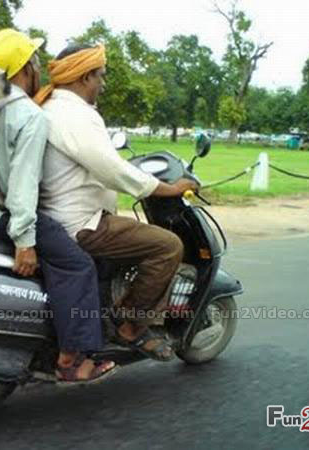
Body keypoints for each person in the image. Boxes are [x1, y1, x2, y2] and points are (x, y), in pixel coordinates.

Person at [36, 43, 200, 361]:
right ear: (85, 77)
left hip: (59, 217)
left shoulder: (51, 107)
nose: (103, 83)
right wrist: (168, 189)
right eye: (100, 76)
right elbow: (111, 170)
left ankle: (108, 312)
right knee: (168, 246)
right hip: (82, 222)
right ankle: (130, 328)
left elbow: (102, 163)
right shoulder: (76, 115)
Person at [0, 30, 115, 382]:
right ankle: (72, 359)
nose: (38, 69)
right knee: (77, 265)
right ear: (25, 69)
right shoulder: (28, 114)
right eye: (35, 61)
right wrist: (25, 241)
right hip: (3, 213)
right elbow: (23, 184)